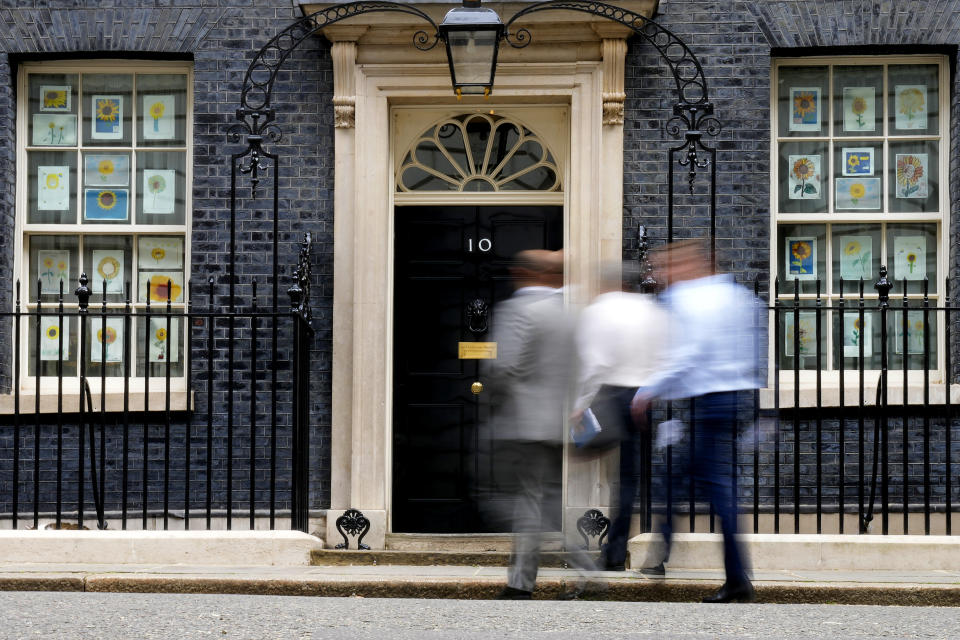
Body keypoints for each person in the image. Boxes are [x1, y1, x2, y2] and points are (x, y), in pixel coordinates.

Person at [631, 239, 761, 603]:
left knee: (716, 491)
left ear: (690, 264)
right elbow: (753, 350)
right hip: (732, 399)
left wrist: (647, 391)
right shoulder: (738, 296)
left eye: (667, 267)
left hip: (709, 402)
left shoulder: (688, 299)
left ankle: (735, 580)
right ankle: (664, 549)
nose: (662, 275)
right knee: (685, 479)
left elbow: (688, 353)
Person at [483, 249, 596, 600]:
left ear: (524, 272)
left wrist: (493, 396)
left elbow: (502, 367)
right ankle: (524, 580)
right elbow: (580, 369)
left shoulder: (519, 310)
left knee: (504, 499)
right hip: (554, 424)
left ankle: (536, 579)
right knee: (536, 502)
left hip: (521, 422)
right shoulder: (570, 317)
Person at [571, 262, 667, 571]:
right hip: (642, 397)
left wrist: (579, 403)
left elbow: (593, 365)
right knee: (632, 478)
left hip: (611, 394)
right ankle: (627, 550)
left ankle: (611, 553)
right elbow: (664, 357)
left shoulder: (598, 310)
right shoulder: (650, 310)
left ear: (607, 284)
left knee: (593, 458)